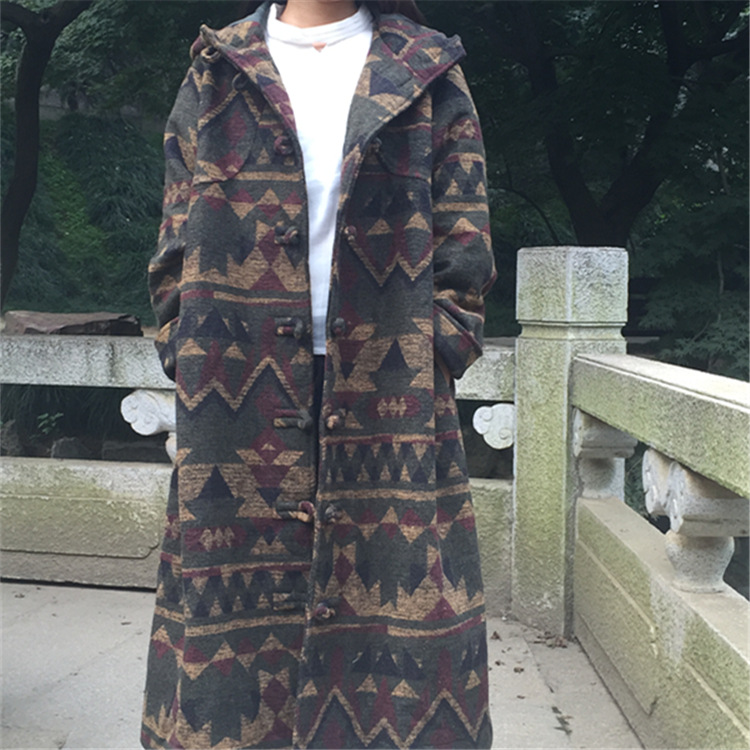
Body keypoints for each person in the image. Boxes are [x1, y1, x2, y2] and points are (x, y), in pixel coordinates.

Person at [142, 1, 495, 747]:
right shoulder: (217, 70)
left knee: (399, 603)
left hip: (390, 385)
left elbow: (465, 245)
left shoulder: (426, 70)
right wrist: (186, 345)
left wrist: (437, 350)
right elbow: (174, 243)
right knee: (233, 637)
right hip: (236, 389)